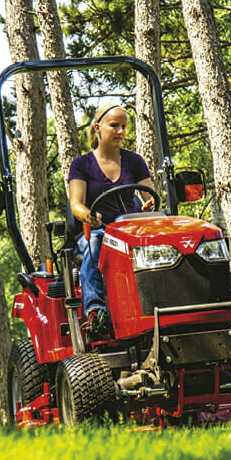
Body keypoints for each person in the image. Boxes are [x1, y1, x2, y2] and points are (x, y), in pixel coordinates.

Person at [67, 103, 157, 336]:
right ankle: (96, 312)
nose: (120, 131)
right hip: (96, 231)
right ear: (98, 127)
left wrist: (150, 205)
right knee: (97, 241)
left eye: (124, 127)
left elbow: (150, 195)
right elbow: (76, 204)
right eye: (114, 126)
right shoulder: (82, 164)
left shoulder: (134, 161)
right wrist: (88, 215)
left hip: (129, 229)